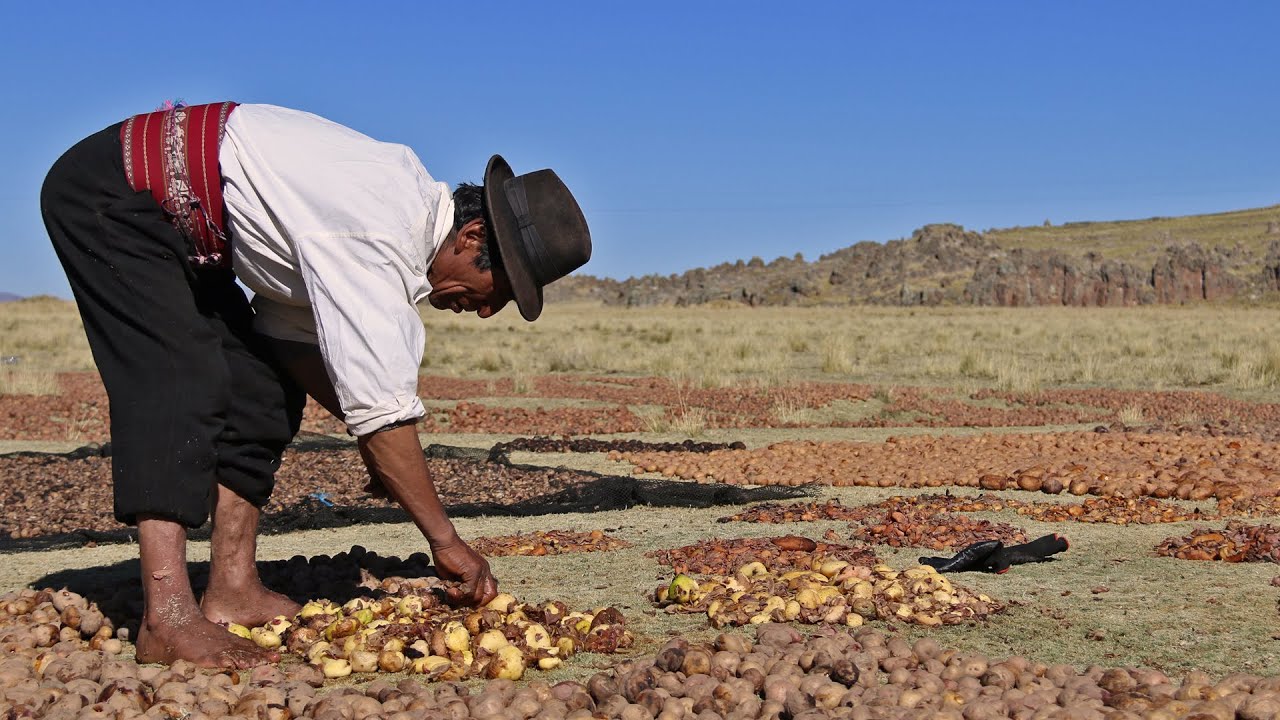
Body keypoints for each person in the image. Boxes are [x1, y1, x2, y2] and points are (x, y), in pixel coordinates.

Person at [40, 102, 591, 669]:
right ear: (471, 236)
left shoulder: (387, 225)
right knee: (181, 380)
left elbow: (291, 344)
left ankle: (231, 588)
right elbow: (382, 412)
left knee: (262, 388)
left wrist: (379, 453)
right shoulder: (377, 231)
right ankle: (167, 619)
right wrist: (445, 542)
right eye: (496, 291)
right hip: (113, 193)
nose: (482, 312)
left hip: (186, 231)